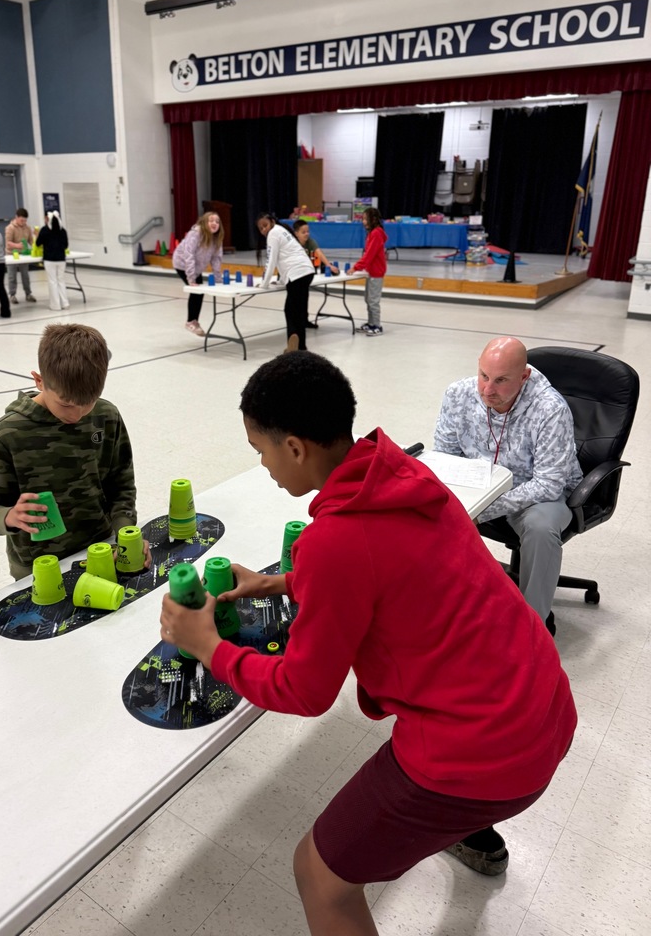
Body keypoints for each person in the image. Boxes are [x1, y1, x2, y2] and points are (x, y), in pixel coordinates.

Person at [160, 351, 576, 936]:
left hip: (484, 752)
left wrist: (206, 645)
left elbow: (303, 691)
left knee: (318, 874)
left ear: (297, 448)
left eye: (262, 451)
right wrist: (282, 580)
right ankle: (456, 828)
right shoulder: (398, 472)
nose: (265, 466)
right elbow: (383, 562)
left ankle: (455, 818)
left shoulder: (335, 542)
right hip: (545, 707)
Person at [0, 323, 145, 580]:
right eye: (66, 404)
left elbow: (121, 484)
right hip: (38, 568)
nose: (77, 414)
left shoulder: (106, 416)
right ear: (39, 381)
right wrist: (9, 516)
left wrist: (126, 536)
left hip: (103, 549)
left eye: (87, 403)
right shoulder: (7, 435)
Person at [433, 335, 583, 635]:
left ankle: (531, 630)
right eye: (484, 376)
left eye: (501, 380)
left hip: (535, 492)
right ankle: (450, 613)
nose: (488, 390)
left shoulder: (550, 408)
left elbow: (549, 484)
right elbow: (444, 456)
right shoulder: (458, 393)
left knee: (541, 528)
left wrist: (481, 510)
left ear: (524, 377)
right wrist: (458, 503)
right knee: (432, 513)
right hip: (481, 482)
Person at [256, 212, 316, 352]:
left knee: (290, 310)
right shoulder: (282, 230)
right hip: (307, 271)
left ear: (271, 221)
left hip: (297, 274)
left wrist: (264, 283)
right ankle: (301, 346)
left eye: (265, 225)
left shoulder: (273, 234)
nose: (264, 230)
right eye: (260, 228)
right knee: (299, 311)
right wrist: (282, 281)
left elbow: (271, 261)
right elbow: (285, 258)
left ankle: (292, 344)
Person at [172, 211, 224, 336]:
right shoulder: (195, 234)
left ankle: (193, 321)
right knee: (196, 291)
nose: (214, 224)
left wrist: (218, 278)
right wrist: (191, 278)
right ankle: (191, 321)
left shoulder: (217, 238)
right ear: (205, 223)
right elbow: (188, 254)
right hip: (183, 264)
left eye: (217, 222)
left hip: (197, 267)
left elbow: (216, 258)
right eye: (211, 221)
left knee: (199, 293)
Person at [292, 218, 339, 330]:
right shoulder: (292, 244)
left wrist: (328, 265)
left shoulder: (310, 242)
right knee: (296, 300)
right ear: (296, 233)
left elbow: (318, 252)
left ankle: (304, 320)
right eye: (303, 232)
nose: (306, 234)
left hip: (305, 274)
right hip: (294, 274)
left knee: (304, 298)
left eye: (308, 231)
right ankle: (295, 323)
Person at [352, 206, 387, 336]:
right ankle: (371, 323)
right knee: (368, 299)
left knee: (373, 301)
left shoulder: (376, 233)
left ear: (373, 219)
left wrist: (356, 267)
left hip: (376, 272)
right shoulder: (372, 233)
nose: (363, 221)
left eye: (365, 219)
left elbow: (369, 254)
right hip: (371, 272)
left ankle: (377, 325)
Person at [36, 210, 70, 311]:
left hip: (49, 259)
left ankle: (55, 305)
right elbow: (66, 245)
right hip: (61, 259)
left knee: (52, 282)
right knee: (61, 281)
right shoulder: (62, 231)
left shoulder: (45, 230)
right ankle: (65, 303)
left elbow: (38, 243)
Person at [5, 207, 37, 304]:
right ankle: (12, 295)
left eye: (25, 220)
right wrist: (17, 245)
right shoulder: (9, 228)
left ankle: (28, 294)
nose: (23, 222)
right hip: (11, 255)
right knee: (12, 276)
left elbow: (31, 241)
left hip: (23, 255)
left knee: (25, 275)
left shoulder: (27, 228)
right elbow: (8, 243)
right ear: (16, 217)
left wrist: (36, 245)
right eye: (22, 220)